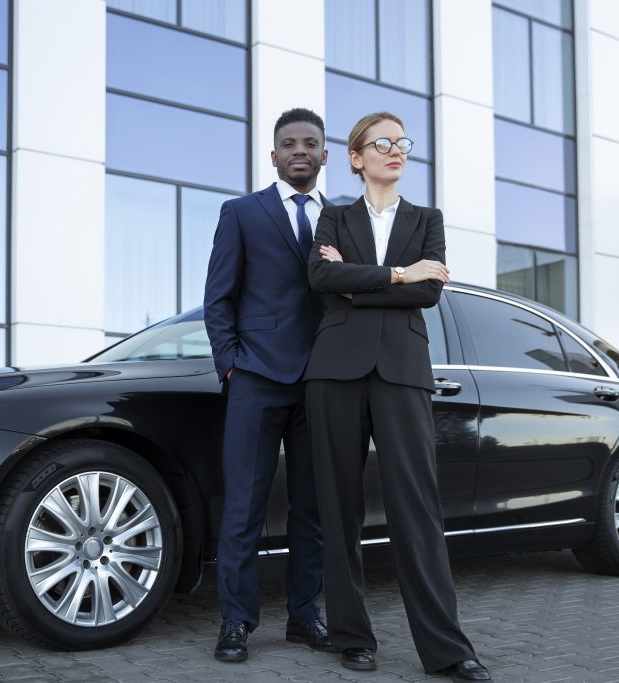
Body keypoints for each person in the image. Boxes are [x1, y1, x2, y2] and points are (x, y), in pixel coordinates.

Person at [304, 112, 491, 682]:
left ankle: (447, 649)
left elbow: (431, 291)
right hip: (335, 371)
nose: (395, 150)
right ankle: (351, 636)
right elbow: (319, 278)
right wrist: (397, 277)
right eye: (381, 143)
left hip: (403, 371)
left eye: (401, 142)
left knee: (417, 509)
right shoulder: (333, 215)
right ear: (356, 157)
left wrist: (367, 281)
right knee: (338, 508)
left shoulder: (427, 218)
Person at [203, 107, 333, 663]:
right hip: (256, 378)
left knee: (313, 510)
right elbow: (218, 299)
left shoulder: (344, 220)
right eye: (289, 142)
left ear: (325, 155)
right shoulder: (241, 213)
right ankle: (236, 621)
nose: (299, 149)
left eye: (310, 142)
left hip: (323, 384)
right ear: (274, 154)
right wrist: (231, 364)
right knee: (244, 509)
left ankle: (306, 617)